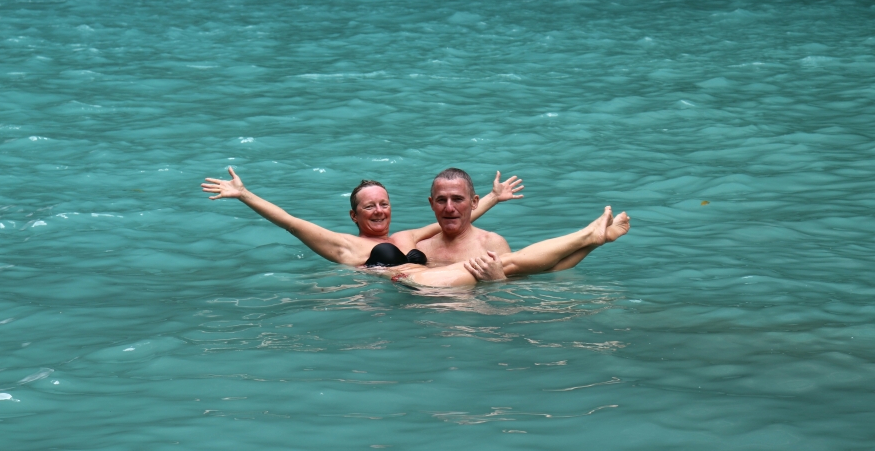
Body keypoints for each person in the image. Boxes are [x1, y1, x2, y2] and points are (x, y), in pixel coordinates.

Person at [200, 167, 525, 268]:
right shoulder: (346, 246)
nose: (379, 211)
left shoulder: (407, 239)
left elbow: (453, 218)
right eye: (369, 207)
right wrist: (244, 195)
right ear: (354, 216)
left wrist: (493, 198)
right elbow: (290, 222)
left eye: (383, 204)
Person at [376, 167, 630, 287]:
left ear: (474, 202)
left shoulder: (491, 244)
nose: (449, 208)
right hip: (429, 326)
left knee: (514, 264)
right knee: (516, 261)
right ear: (432, 204)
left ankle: (593, 238)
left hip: (473, 327)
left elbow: (531, 279)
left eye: (458, 200)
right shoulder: (418, 247)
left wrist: (497, 281)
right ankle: (591, 237)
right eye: (442, 200)